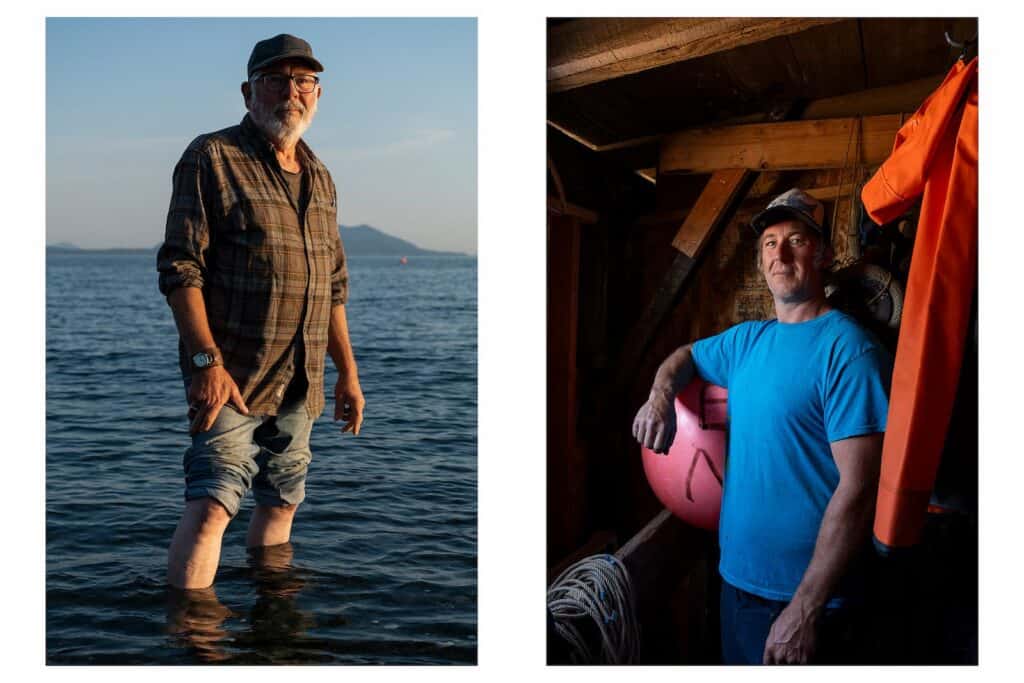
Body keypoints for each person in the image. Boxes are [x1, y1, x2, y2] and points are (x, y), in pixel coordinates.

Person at [632, 188, 891, 664]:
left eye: (796, 239)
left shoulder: (849, 351)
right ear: (760, 262)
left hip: (813, 604)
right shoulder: (747, 341)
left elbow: (860, 490)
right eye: (770, 243)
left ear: (825, 254)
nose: (781, 253)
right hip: (737, 583)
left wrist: (806, 609)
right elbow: (684, 356)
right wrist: (660, 397)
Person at [157, 34, 365, 591]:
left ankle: (271, 629)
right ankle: (194, 643)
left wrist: (347, 372)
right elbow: (180, 268)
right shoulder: (211, 157)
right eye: (276, 81)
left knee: (281, 505)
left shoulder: (321, 178)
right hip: (232, 378)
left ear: (317, 94)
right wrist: (205, 362)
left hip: (301, 384)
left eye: (304, 82)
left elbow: (332, 287)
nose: (291, 93)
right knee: (212, 508)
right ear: (249, 91)